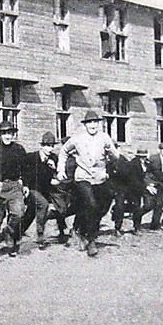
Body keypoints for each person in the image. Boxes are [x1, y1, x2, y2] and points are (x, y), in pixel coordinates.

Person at [57, 110, 117, 257]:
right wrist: (60, 169)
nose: (92, 125)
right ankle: (91, 240)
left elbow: (116, 156)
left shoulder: (104, 138)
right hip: (83, 177)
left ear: (98, 124)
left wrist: (110, 153)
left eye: (95, 122)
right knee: (91, 204)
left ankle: (80, 230)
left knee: (102, 207)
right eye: (89, 122)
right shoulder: (77, 138)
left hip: (100, 178)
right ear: (85, 125)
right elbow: (64, 151)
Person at [0, 121, 28, 257]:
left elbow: (26, 170)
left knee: (19, 213)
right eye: (4, 133)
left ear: (13, 135)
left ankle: (8, 232)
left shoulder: (19, 150)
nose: (7, 136)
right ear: (0, 135)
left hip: (14, 187)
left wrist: (24, 183)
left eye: (10, 133)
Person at [21, 132, 68, 247]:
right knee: (43, 204)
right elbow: (25, 173)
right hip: (34, 188)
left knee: (61, 207)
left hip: (48, 189)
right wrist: (25, 185)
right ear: (41, 146)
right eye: (47, 145)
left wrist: (54, 168)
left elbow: (58, 175)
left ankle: (62, 231)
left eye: (52, 146)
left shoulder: (54, 158)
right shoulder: (31, 157)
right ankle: (40, 235)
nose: (50, 148)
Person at [111, 146, 157, 234]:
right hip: (123, 187)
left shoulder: (146, 164)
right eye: (141, 157)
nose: (143, 158)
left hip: (136, 188)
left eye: (144, 156)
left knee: (137, 206)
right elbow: (133, 179)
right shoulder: (133, 164)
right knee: (120, 206)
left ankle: (136, 227)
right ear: (137, 156)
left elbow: (148, 175)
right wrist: (146, 187)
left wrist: (149, 184)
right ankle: (117, 228)